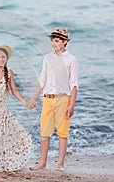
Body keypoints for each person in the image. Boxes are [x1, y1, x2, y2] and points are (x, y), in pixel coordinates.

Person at [27, 27, 78, 171]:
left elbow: (74, 84)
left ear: (65, 41)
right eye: (52, 41)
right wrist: (33, 98)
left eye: (57, 41)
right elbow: (42, 81)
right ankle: (42, 163)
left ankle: (60, 164)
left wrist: (71, 104)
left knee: (62, 133)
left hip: (63, 99)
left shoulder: (71, 60)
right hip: (48, 99)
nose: (53, 44)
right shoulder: (47, 58)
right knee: (44, 133)